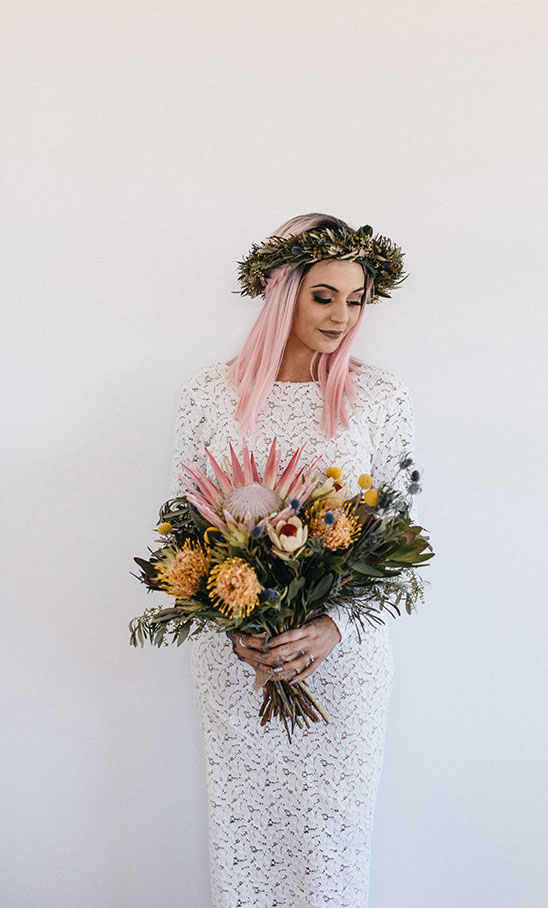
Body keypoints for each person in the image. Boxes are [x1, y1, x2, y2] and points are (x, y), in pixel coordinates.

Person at [169, 212, 420, 908]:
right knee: (244, 834)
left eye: (356, 299)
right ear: (282, 292)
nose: (342, 316)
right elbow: (184, 527)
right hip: (237, 658)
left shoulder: (379, 397)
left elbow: (400, 534)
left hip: (344, 663)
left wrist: (333, 625)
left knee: (335, 838)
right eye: (324, 296)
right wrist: (235, 624)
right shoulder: (207, 395)